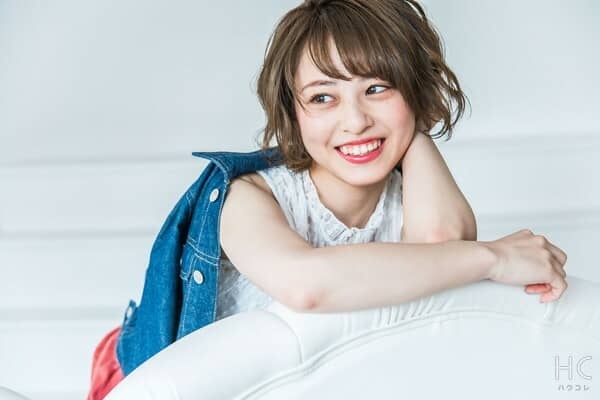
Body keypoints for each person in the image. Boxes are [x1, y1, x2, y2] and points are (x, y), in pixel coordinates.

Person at [88, 0, 568, 398]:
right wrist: (492, 258)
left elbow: (441, 248)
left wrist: (414, 123)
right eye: (323, 98)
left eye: (377, 88)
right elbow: (306, 286)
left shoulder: (411, 197)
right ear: (293, 112)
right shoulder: (245, 195)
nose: (355, 121)